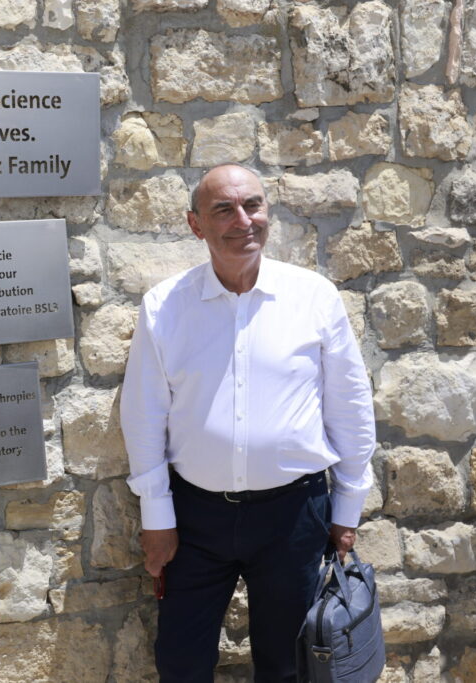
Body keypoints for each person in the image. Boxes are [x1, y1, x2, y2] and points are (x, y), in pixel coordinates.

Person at [120, 163, 376, 682]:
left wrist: (348, 505)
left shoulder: (313, 298)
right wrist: (157, 516)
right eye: (224, 210)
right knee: (181, 663)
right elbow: (144, 414)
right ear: (196, 226)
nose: (244, 220)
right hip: (194, 520)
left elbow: (349, 406)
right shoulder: (165, 307)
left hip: (293, 517)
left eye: (253, 205)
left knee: (287, 668)